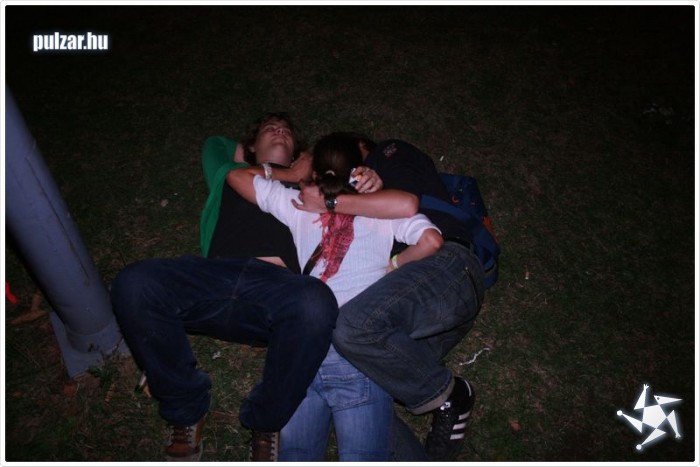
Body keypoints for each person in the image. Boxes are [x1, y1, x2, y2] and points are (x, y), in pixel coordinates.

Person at [110, 113, 417, 462]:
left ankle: (267, 419)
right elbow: (218, 148)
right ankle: (185, 410)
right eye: (270, 128)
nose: (280, 130)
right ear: (249, 148)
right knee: (134, 284)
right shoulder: (233, 171)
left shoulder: (313, 192)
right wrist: (289, 171)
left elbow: (375, 200)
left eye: (287, 130)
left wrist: (359, 176)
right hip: (215, 277)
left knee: (316, 300)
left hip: (277, 293)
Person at [226, 133, 443, 461]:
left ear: (314, 172)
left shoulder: (299, 203)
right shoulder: (381, 209)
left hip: (304, 345)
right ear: (359, 170)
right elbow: (431, 240)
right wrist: (394, 264)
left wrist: (291, 174)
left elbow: (236, 177)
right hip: (356, 349)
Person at [295, 134, 489, 461]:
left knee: (351, 327)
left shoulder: (388, 153)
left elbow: (406, 203)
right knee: (360, 389)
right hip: (418, 309)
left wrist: (332, 201)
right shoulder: (362, 198)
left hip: (448, 268)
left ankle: (449, 395)